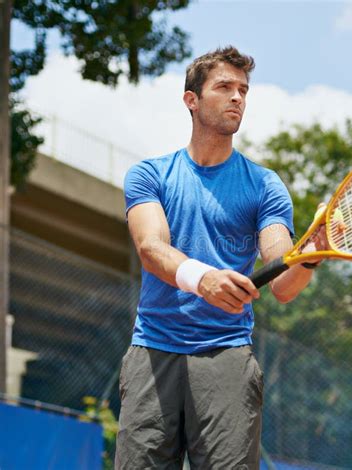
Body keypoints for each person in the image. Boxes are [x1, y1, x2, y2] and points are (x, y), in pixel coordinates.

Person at [115, 46, 325, 470]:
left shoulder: (265, 186)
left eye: (243, 90)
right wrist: (203, 279)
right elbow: (152, 250)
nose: (237, 98)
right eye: (224, 87)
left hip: (227, 355)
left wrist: (312, 254)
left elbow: (282, 282)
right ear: (191, 100)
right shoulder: (150, 175)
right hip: (153, 353)